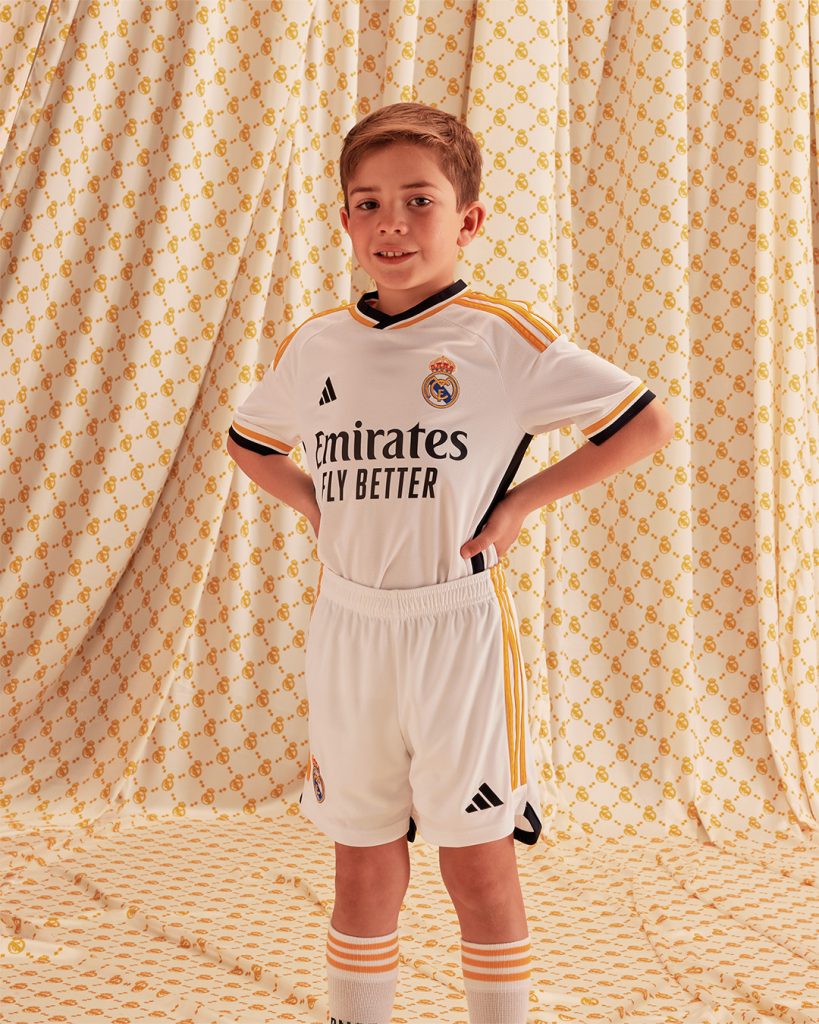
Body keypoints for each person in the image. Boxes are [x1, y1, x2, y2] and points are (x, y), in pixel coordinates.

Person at [226, 102, 674, 1024]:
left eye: (418, 201)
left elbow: (644, 423)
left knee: (476, 862)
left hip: (455, 631)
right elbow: (249, 441)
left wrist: (518, 504)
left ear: (467, 220)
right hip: (349, 629)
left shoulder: (497, 337)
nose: (391, 224)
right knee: (361, 861)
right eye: (368, 203)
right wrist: (313, 502)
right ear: (344, 220)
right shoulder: (318, 343)